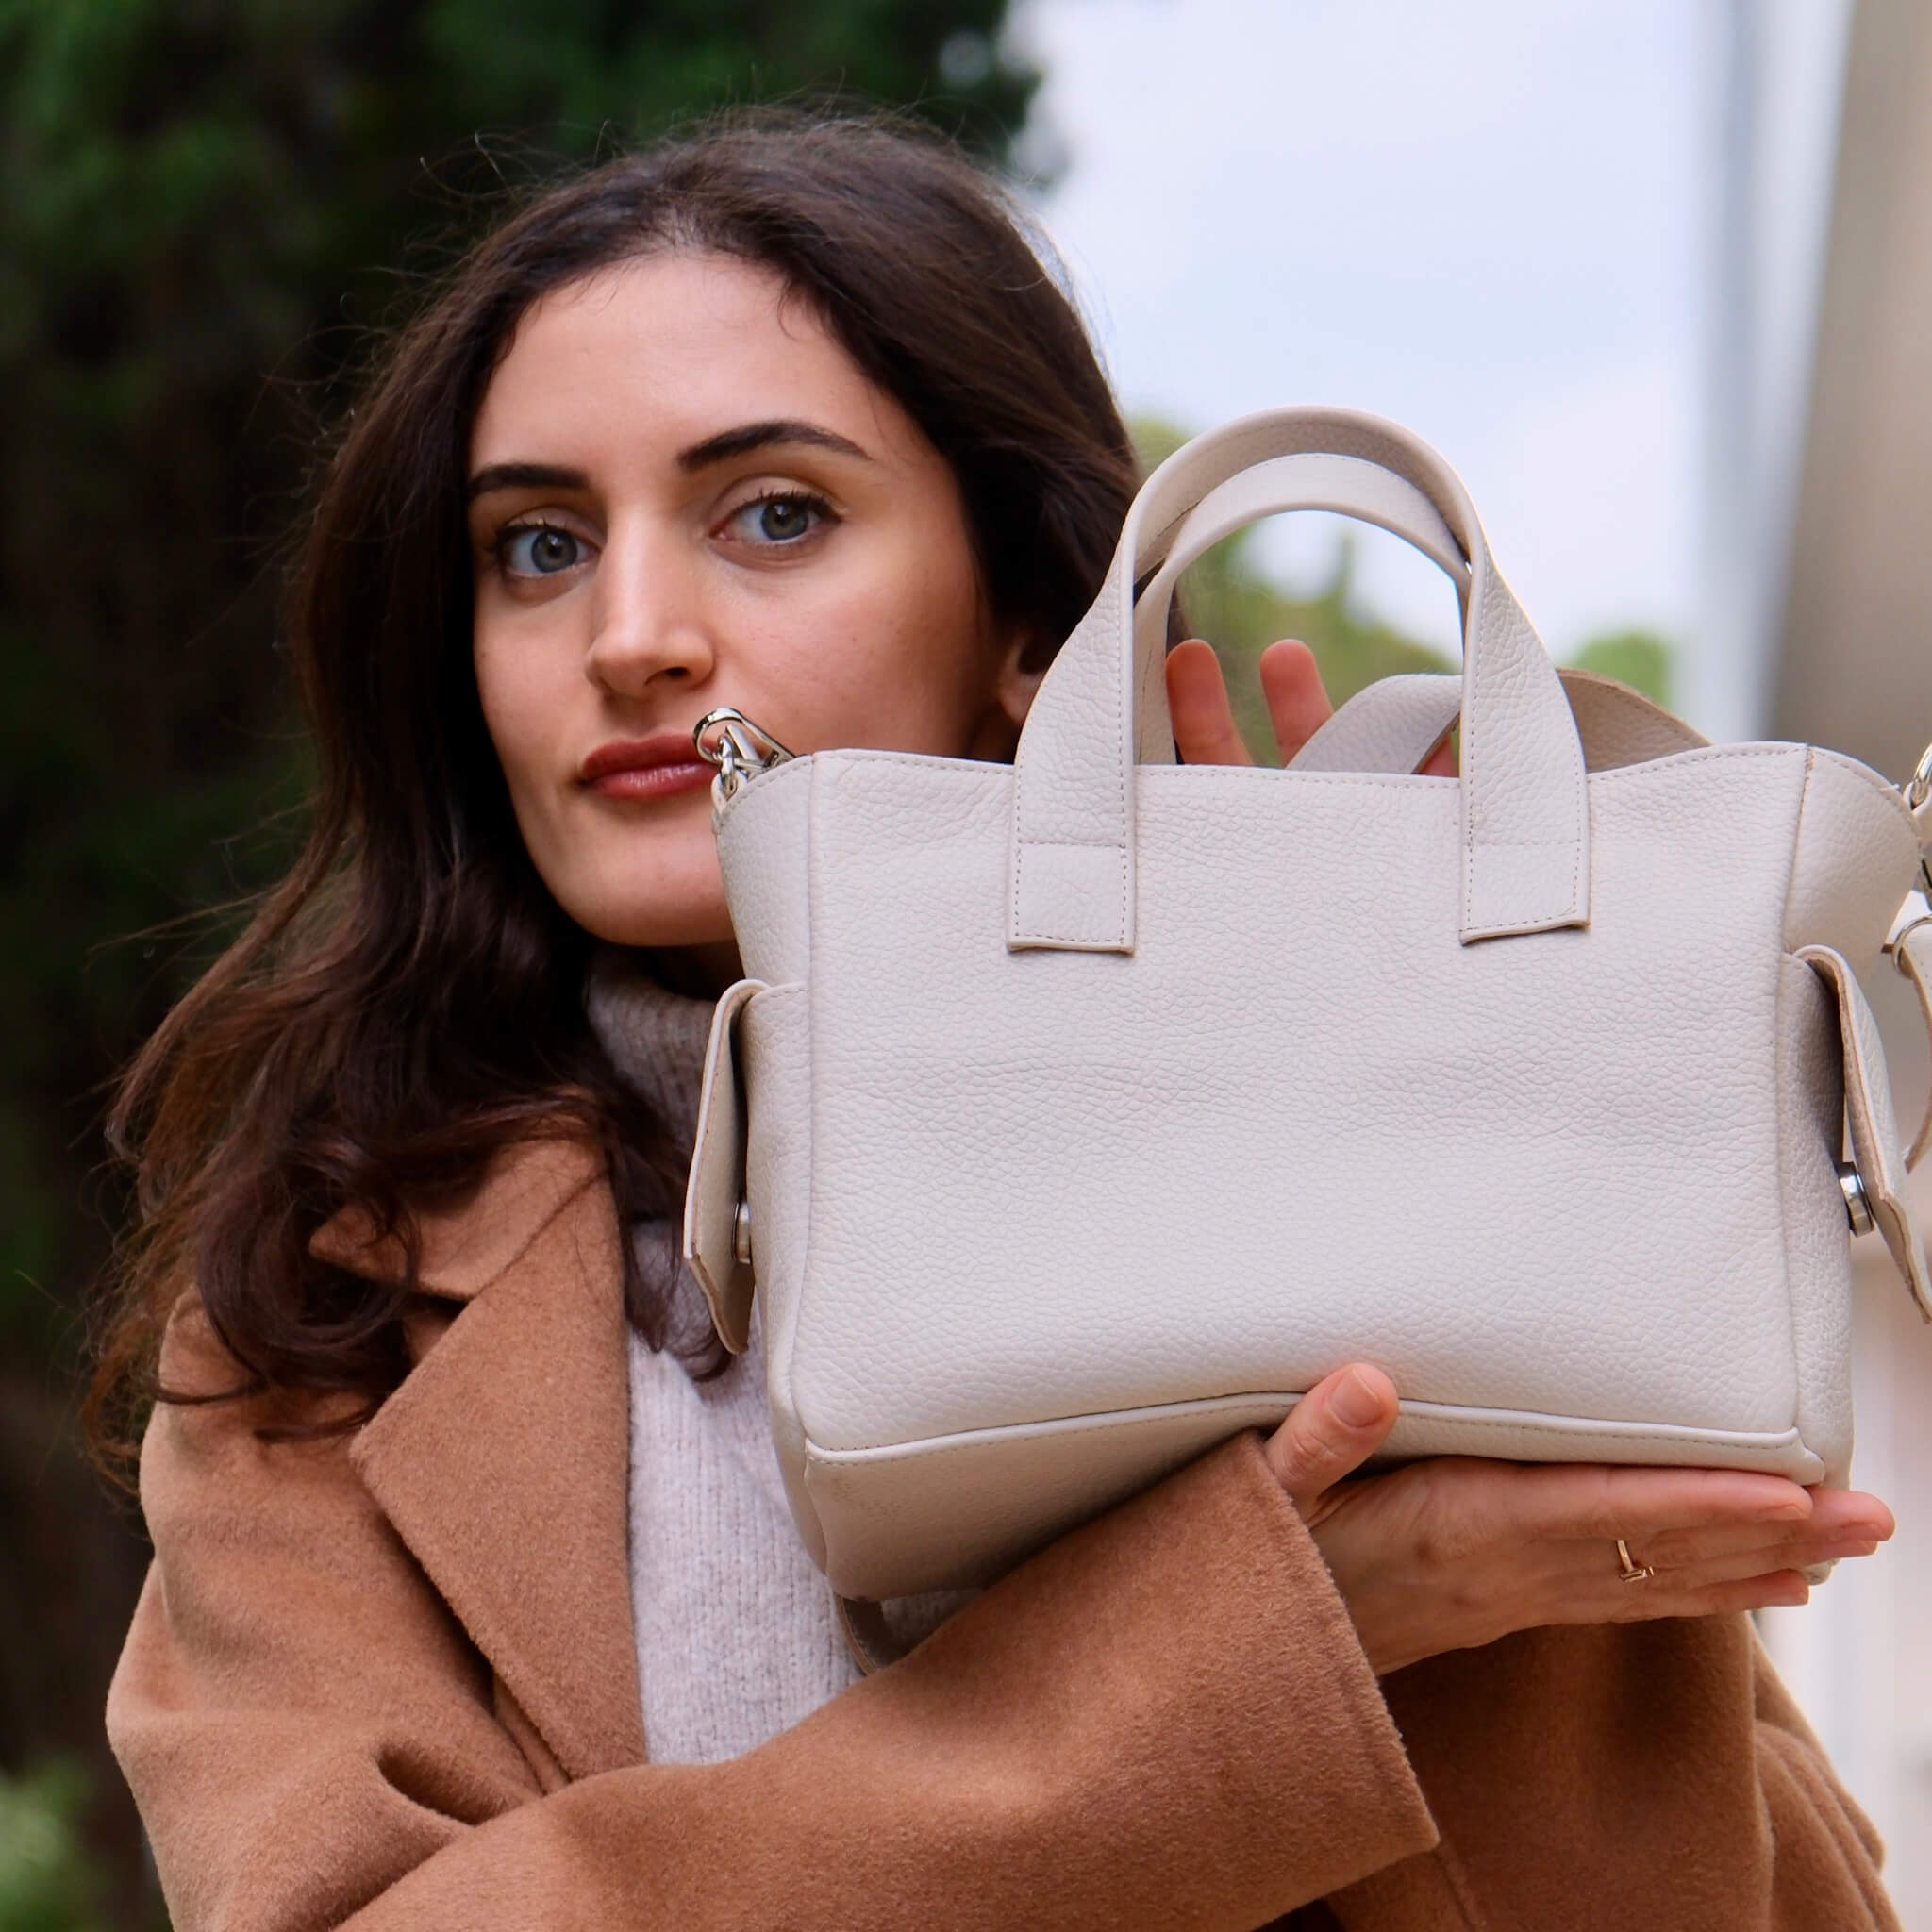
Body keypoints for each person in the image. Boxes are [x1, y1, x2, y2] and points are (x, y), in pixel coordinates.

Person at [94, 112, 1902, 1931]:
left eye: (773, 514)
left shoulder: (1376, 1201)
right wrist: (1239, 1655)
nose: (630, 633)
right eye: (539, 545)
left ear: (1031, 627)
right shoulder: (319, 1320)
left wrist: (1390, 1188)